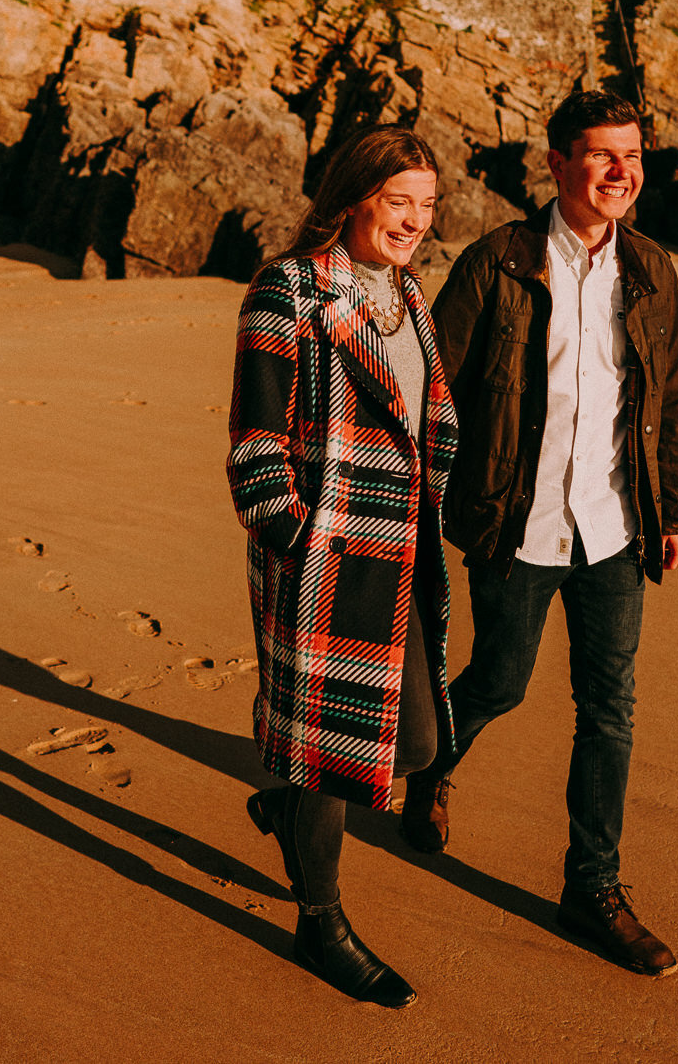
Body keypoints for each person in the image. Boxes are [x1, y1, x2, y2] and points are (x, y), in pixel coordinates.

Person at [402, 89, 678, 977]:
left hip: (614, 527)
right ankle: (430, 761)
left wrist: (674, 508)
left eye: (633, 156)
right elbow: (433, 388)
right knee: (499, 680)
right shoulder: (498, 264)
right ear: (558, 165)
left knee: (610, 709)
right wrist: (412, 499)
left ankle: (592, 888)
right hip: (514, 524)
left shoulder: (651, 269)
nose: (621, 173)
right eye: (602, 156)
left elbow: (672, 397)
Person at [226, 125, 459, 1008]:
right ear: (354, 198)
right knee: (328, 752)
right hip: (323, 554)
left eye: (427, 206)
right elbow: (255, 436)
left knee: (422, 742)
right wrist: (290, 533)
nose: (415, 222)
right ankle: (318, 920)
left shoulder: (410, 295)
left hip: (400, 553)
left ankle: (283, 805)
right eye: (399, 202)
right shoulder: (287, 289)